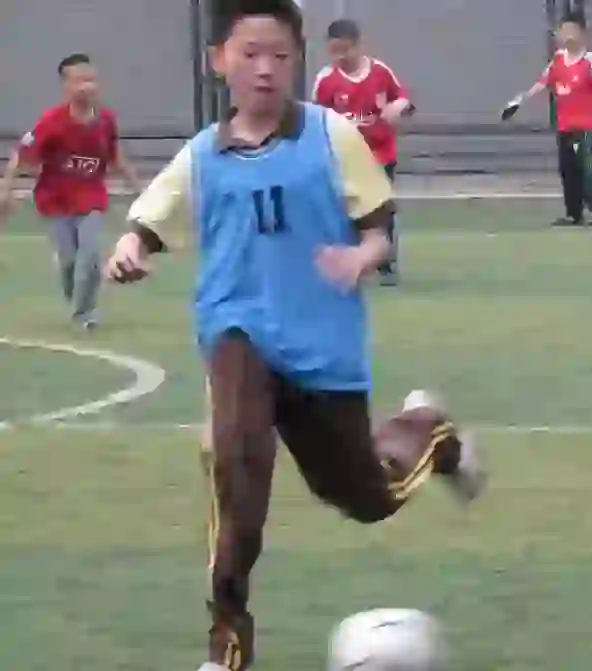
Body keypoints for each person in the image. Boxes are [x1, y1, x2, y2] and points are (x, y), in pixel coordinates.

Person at [102, 1, 484, 669]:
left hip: (322, 352)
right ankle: (227, 642)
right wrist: (130, 246)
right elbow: (152, 217)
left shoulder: (331, 136)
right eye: (249, 53)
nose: (265, 69)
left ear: (296, 61)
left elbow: (378, 228)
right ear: (218, 60)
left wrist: (362, 256)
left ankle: (431, 430)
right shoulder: (202, 155)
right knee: (236, 465)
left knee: (369, 497)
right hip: (237, 334)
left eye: (279, 54)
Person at [0, 53, 139, 330]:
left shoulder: (106, 120)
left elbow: (115, 155)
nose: (87, 86)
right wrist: (6, 191)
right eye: (80, 81)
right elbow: (21, 155)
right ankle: (73, 289)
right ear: (66, 86)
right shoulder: (52, 122)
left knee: (90, 255)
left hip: (91, 197)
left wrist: (138, 189)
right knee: (69, 262)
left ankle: (85, 313)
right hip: (56, 201)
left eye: (91, 80)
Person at [313, 18, 414, 286]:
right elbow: (315, 119)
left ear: (358, 46)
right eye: (334, 51)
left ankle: (387, 265)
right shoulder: (326, 80)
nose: (340, 56)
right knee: (345, 210)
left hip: (380, 153)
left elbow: (403, 98)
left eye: (344, 50)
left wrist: (398, 106)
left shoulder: (380, 72)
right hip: (343, 157)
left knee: (381, 210)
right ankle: (348, 262)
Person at [502, 12, 592, 227]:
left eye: (572, 31)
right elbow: (542, 83)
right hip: (564, 125)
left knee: (586, 167)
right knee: (567, 169)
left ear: (582, 34)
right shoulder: (558, 61)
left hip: (585, 126)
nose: (567, 35)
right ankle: (574, 214)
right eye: (564, 31)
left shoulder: (589, 60)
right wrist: (519, 101)